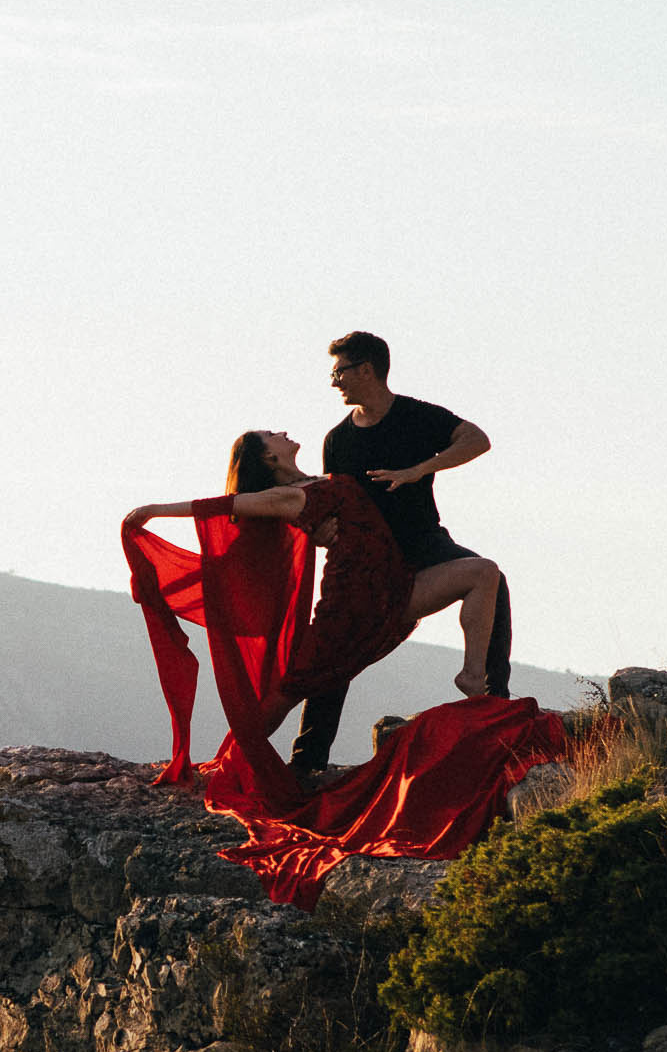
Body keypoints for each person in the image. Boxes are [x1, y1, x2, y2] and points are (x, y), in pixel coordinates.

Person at [124, 429, 502, 792]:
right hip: (350, 607)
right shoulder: (286, 496)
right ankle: (235, 755)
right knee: (293, 687)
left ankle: (472, 676)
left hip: (393, 588)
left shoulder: (321, 478)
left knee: (484, 573)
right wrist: (155, 510)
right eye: (272, 434)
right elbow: (226, 506)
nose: (282, 432)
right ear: (268, 457)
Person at [291, 331, 511, 780]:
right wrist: (322, 532)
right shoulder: (338, 440)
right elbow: (335, 499)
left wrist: (422, 468)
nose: (335, 383)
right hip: (369, 556)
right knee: (340, 644)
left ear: (367, 369)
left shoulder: (415, 416)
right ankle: (307, 758)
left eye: (339, 372)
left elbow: (477, 439)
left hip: (425, 542)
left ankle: (493, 699)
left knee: (492, 580)